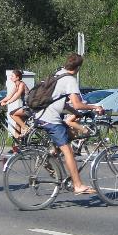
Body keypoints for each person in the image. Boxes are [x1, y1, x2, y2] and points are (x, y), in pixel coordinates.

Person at [37, 52, 103, 196]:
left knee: (70, 134)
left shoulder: (58, 73)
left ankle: (51, 155)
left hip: (40, 114)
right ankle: (78, 185)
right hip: (51, 118)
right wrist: (95, 107)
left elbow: (58, 101)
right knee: (69, 151)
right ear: (78, 67)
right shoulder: (70, 80)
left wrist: (75, 113)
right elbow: (78, 104)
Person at [0, 69, 28, 138]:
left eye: (12, 76)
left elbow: (17, 95)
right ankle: (17, 145)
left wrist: (7, 103)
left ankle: (26, 128)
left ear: (17, 77)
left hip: (30, 107)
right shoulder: (16, 85)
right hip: (25, 106)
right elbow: (9, 96)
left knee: (12, 114)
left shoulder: (22, 84)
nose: (10, 77)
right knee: (17, 125)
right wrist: (0, 101)